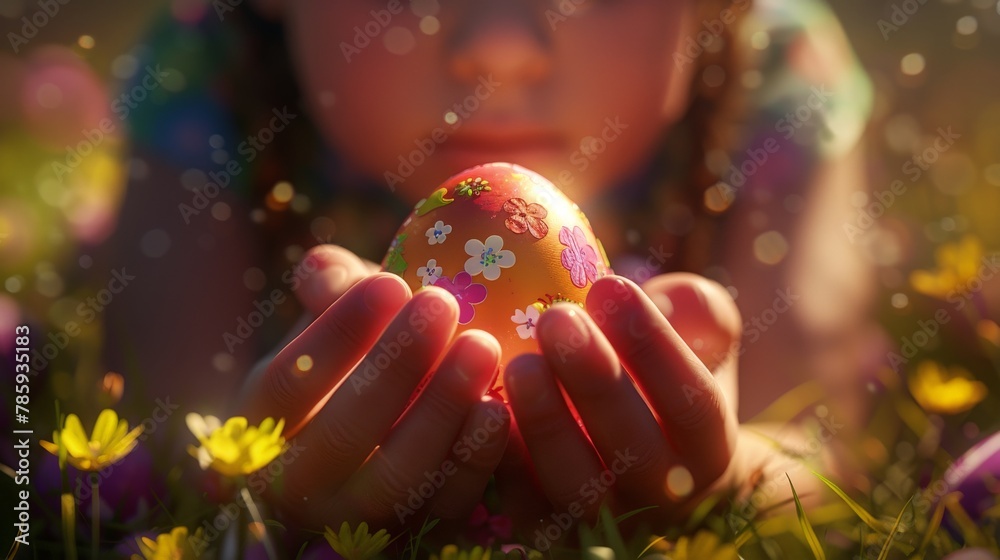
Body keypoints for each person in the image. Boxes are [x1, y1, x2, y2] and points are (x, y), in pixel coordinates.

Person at [103, 0, 877, 550]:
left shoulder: (774, 70)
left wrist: (729, 472)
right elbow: (165, 424)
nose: (501, 44)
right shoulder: (210, 67)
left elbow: (819, 448)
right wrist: (252, 472)